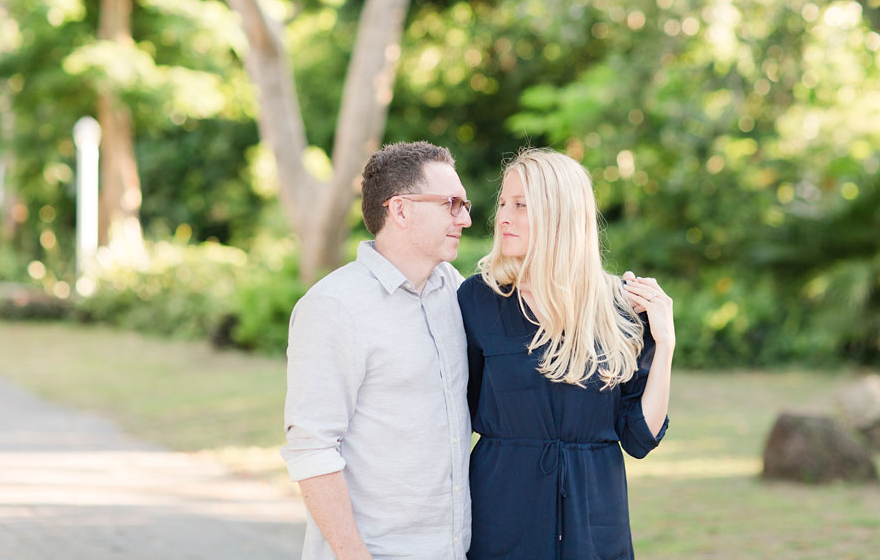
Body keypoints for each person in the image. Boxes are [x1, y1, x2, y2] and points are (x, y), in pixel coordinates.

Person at [457, 147, 675, 560]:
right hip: (503, 519)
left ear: (559, 214)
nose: (502, 216)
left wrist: (664, 344)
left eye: (521, 205)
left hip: (595, 524)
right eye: (503, 203)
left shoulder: (621, 307)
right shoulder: (477, 300)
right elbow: (454, 418)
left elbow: (641, 437)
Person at [281, 141, 474, 560]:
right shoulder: (333, 307)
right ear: (400, 210)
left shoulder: (455, 292)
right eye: (452, 203)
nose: (466, 218)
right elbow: (311, 447)